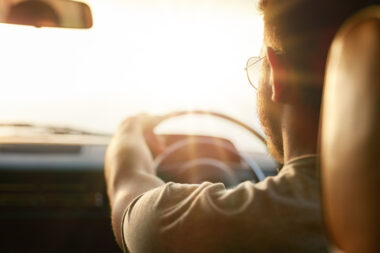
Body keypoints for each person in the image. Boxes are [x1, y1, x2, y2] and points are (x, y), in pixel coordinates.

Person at [105, 0, 379, 252]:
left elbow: (128, 193)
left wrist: (130, 130)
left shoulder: (236, 227)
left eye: (260, 66)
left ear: (278, 76)